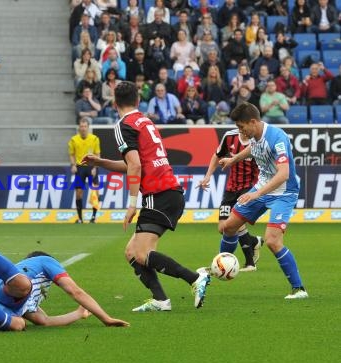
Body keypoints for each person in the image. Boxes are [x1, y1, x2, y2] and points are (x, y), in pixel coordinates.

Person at [82, 81, 211, 312]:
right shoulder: (145, 121)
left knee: (141, 253)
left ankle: (194, 278)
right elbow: (136, 163)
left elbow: (134, 165)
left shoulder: (123, 125)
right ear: (138, 101)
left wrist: (131, 204)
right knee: (132, 253)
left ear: (114, 103)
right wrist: (102, 162)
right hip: (169, 193)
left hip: (158, 194)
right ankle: (161, 300)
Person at [0, 215, 130, 331]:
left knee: (19, 325)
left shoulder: (30, 301)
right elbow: (75, 292)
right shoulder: (46, 263)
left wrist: (78, 314)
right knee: (24, 286)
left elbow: (45, 321)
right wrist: (105, 318)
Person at [218, 102, 308, 299]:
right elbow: (253, 149)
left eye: (241, 127)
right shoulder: (256, 136)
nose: (240, 131)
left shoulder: (277, 138)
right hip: (262, 188)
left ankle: (299, 289)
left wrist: (256, 194)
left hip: (284, 193)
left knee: (273, 241)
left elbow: (283, 174)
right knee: (228, 226)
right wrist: (233, 160)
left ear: (253, 122)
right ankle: (219, 266)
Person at [198, 129, 262, 271]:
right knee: (223, 228)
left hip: (249, 189)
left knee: (236, 223)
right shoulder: (229, 136)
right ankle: (253, 241)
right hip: (231, 189)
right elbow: (217, 155)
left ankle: (249, 263)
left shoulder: (257, 141)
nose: (241, 128)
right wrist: (208, 176)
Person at [68, 118, 101, 224]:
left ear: (88, 127)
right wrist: (73, 165)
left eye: (85, 126)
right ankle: (80, 218)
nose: (83, 128)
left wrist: (95, 167)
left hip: (91, 166)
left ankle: (93, 217)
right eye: (81, 126)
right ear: (79, 128)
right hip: (80, 167)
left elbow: (97, 154)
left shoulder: (94, 139)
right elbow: (72, 154)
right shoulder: (73, 140)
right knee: (78, 193)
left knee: (95, 192)